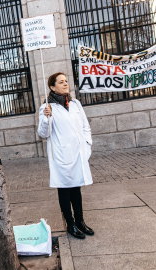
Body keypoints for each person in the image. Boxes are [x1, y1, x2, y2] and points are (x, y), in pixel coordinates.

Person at [38, 72, 94, 239]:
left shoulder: (75, 104)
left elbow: (85, 126)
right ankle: (70, 225)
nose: (65, 84)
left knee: (76, 188)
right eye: (60, 82)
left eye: (66, 81)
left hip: (78, 153)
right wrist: (47, 118)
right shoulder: (47, 107)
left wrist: (87, 144)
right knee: (65, 190)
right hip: (61, 156)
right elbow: (43, 133)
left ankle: (80, 222)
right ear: (52, 87)